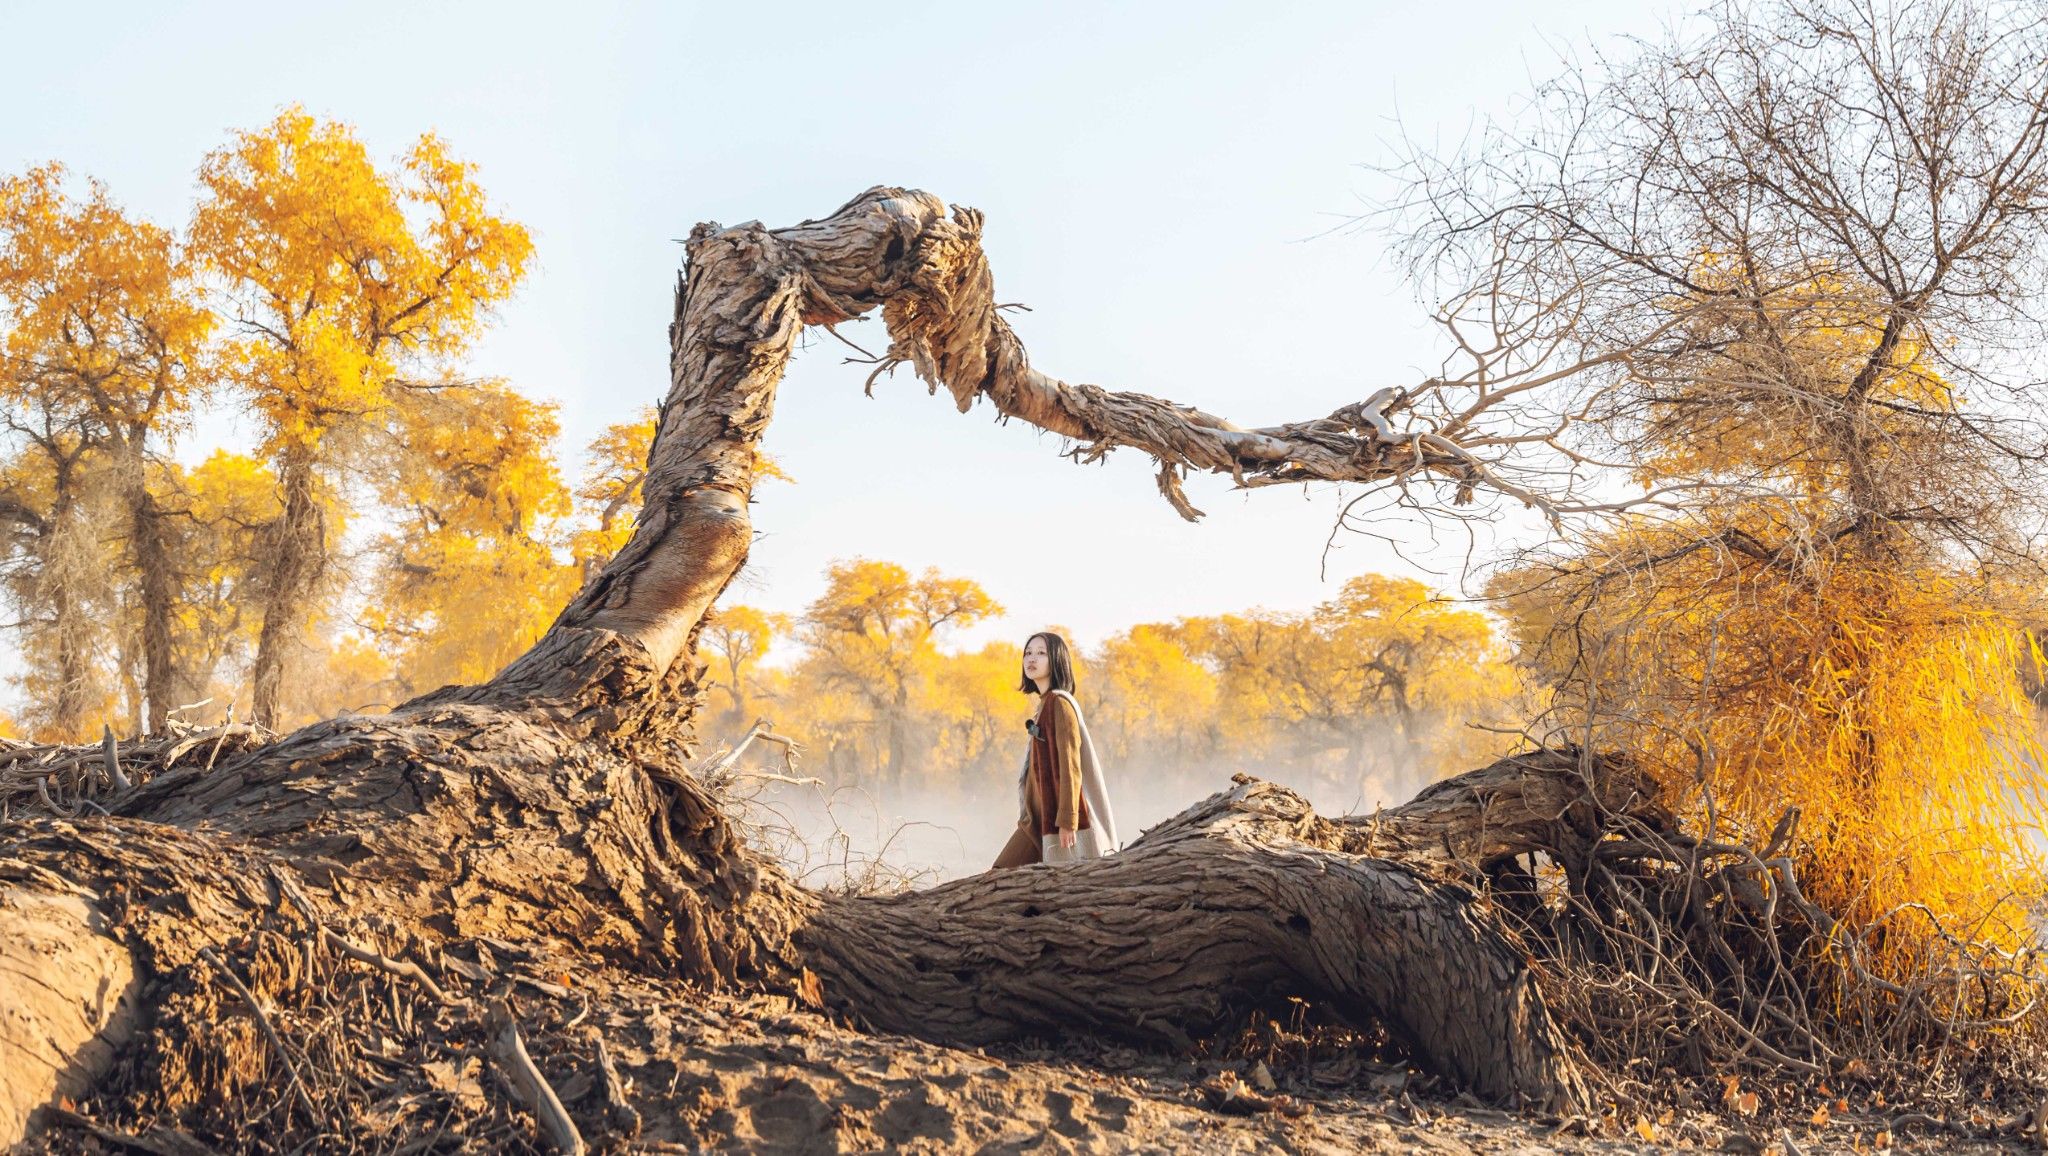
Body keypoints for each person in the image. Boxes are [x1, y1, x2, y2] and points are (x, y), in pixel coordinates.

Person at [991, 631, 1120, 868]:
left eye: (1041, 653)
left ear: (1056, 660)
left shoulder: (1060, 704)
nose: (1032, 658)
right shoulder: (1044, 705)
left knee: (1004, 873)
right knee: (1002, 875)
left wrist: (1068, 821)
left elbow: (1070, 766)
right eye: (1028, 653)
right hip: (1036, 820)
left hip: (1055, 821)